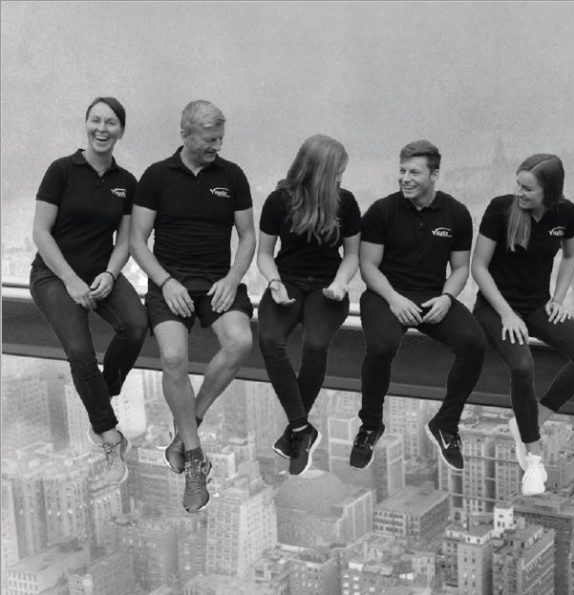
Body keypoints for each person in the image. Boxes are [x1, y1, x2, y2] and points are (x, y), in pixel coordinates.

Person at [130, 100, 256, 513]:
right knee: (172, 358)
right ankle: (196, 459)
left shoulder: (232, 176)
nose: (217, 146)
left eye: (220, 139)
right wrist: (165, 282)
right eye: (209, 140)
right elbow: (137, 241)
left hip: (218, 280)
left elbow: (248, 236)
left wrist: (232, 279)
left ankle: (189, 425)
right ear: (185, 135)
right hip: (170, 283)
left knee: (239, 342)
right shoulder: (156, 176)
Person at [471, 154, 574, 496]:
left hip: (536, 306)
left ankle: (528, 421)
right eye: (518, 184)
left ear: (549, 190)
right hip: (494, 308)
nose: (519, 192)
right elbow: (479, 267)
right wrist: (506, 313)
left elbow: (570, 255)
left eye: (527, 188)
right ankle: (534, 458)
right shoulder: (500, 210)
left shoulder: (566, 214)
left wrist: (558, 299)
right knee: (522, 365)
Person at [30, 97, 148, 486]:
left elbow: (124, 240)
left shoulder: (126, 182)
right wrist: (70, 280)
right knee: (81, 353)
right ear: (86, 124)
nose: (102, 128)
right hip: (53, 275)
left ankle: (100, 399)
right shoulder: (62, 171)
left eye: (111, 122)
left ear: (121, 130)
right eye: (96, 120)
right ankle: (110, 439)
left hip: (101, 273)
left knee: (136, 325)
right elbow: (40, 232)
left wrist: (111, 274)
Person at [352, 140, 487, 471]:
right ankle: (370, 425)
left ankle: (446, 423)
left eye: (414, 172)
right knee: (381, 346)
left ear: (434, 174)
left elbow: (460, 268)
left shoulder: (456, 213)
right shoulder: (382, 211)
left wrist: (447, 298)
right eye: (402, 171)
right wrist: (394, 299)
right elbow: (368, 265)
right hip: (385, 295)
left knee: (475, 343)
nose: (405, 178)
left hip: (432, 296)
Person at [256, 134, 361, 476]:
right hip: (286, 279)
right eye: (336, 171)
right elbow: (264, 254)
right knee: (269, 340)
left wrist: (340, 283)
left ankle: (296, 432)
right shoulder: (279, 201)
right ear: (317, 169)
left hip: (327, 286)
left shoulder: (346, 203)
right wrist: (274, 282)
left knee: (315, 346)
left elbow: (352, 255)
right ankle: (302, 429)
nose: (340, 178)